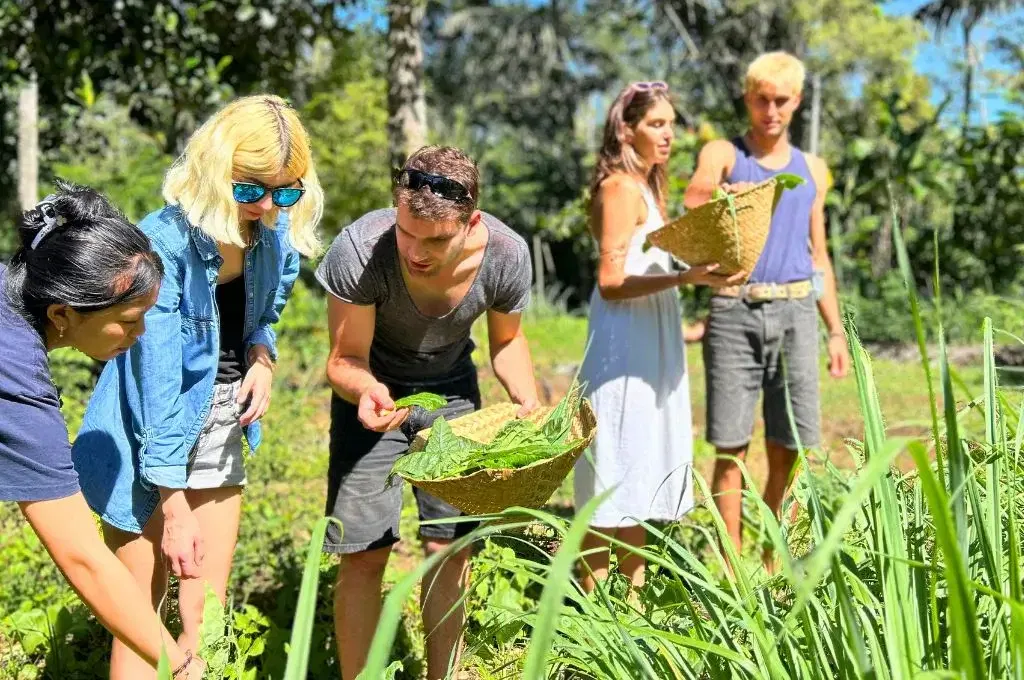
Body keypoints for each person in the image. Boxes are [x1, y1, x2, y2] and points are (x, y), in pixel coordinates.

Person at [71, 94, 323, 678]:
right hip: (144, 431)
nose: (266, 206)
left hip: (221, 420)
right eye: (250, 189)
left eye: (284, 192)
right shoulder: (163, 243)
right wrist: (173, 504)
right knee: (140, 613)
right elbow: (153, 382)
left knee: (203, 612)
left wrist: (263, 356)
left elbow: (265, 315)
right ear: (215, 170)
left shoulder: (275, 233)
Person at [316, 145, 541, 679]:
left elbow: (507, 343)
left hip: (454, 394)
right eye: (406, 232)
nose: (415, 251)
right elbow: (343, 359)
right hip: (372, 395)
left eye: (435, 239)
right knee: (364, 552)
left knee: (449, 547)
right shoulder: (361, 248)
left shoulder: (506, 254)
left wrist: (527, 402)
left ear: (471, 223)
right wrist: (367, 389)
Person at [0, 181, 202, 679]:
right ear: (63, 314)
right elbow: (83, 558)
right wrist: (179, 665)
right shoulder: (15, 377)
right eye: (130, 321)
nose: (141, 336)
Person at [682, 52, 849, 572]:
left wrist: (835, 329)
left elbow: (817, 253)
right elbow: (694, 198)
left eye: (781, 100)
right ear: (748, 98)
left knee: (790, 446)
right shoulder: (725, 154)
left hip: (798, 312)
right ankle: (733, 571)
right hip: (734, 312)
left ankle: (773, 560)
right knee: (730, 447)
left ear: (796, 102)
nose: (771, 110)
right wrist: (722, 197)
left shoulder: (812, 169)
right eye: (761, 99)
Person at [573, 81, 742, 593]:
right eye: (656, 124)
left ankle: (635, 609)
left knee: (638, 473)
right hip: (622, 351)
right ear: (626, 129)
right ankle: (593, 618)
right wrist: (685, 280)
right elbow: (611, 281)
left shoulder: (648, 187)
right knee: (614, 472)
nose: (669, 134)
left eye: (671, 123)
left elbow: (656, 258)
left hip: (649, 342)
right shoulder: (619, 189)